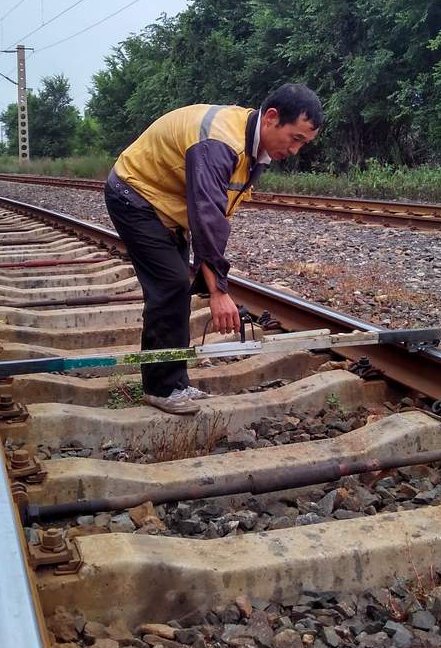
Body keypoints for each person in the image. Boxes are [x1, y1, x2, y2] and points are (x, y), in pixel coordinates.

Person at [104, 83, 323, 415]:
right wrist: (218, 291)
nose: (295, 151)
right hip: (134, 195)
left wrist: (214, 281)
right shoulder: (222, 142)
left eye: (304, 144)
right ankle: (160, 388)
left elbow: (216, 218)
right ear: (272, 118)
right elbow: (206, 216)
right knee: (171, 285)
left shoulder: (254, 152)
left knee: (176, 287)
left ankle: (174, 382)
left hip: (165, 206)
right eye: (295, 139)